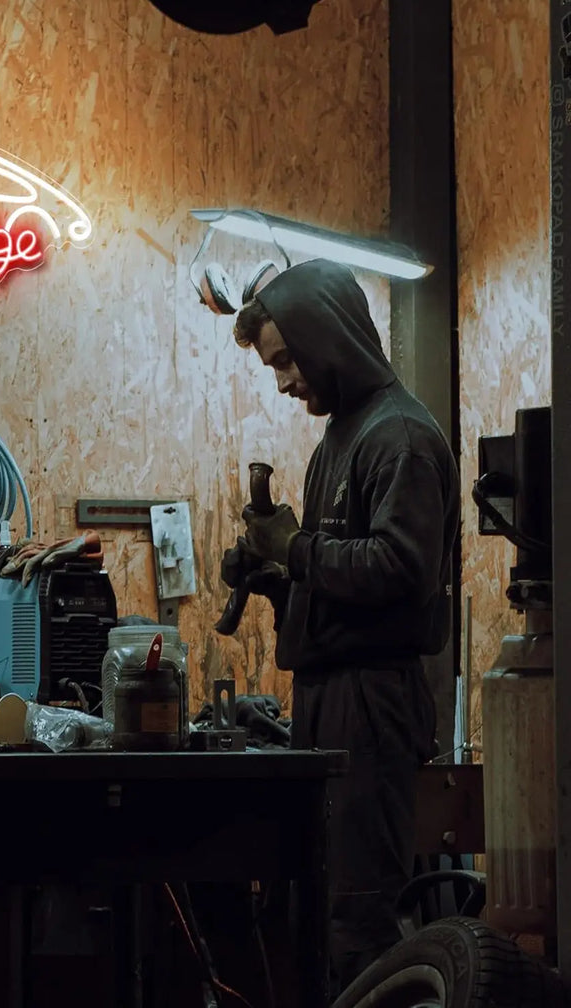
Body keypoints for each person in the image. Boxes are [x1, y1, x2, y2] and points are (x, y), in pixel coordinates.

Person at [227, 258, 459, 992]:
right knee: (316, 912)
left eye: (287, 361)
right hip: (330, 699)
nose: (284, 382)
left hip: (372, 704)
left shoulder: (402, 440)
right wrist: (275, 577)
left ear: (327, 337)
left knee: (356, 921)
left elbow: (399, 570)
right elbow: (342, 579)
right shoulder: (341, 440)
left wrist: (295, 550)